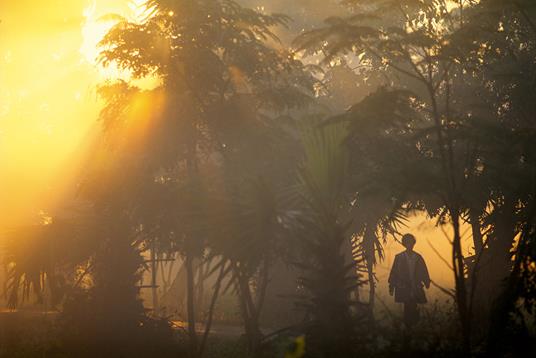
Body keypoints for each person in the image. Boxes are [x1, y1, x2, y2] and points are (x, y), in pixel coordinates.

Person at [388, 233, 431, 328]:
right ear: (404, 244)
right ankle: (409, 325)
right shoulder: (399, 257)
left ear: (413, 243)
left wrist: (426, 281)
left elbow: (424, 270)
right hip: (404, 286)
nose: (409, 245)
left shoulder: (418, 257)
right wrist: (391, 286)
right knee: (407, 305)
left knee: (414, 304)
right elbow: (394, 272)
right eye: (407, 243)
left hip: (416, 286)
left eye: (411, 242)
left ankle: (414, 325)